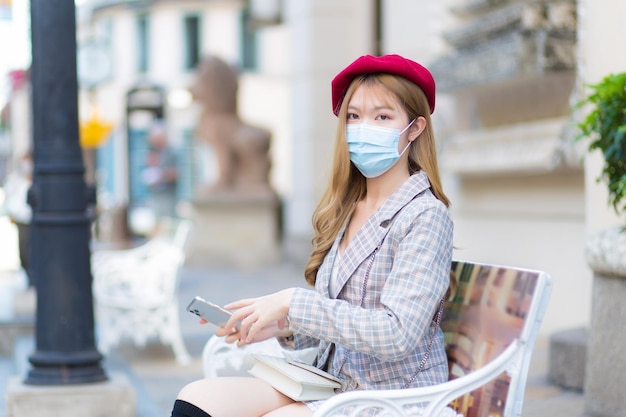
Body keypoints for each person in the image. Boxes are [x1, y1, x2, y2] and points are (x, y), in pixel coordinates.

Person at [170, 54, 455, 417]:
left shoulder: (425, 214)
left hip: (393, 395)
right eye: (353, 116)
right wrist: (280, 326)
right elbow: (342, 317)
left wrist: (292, 302)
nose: (363, 127)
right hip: (330, 382)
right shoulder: (351, 207)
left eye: (382, 116)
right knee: (196, 398)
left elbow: (396, 333)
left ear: (414, 129)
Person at [142, 120, 179, 219]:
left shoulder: (172, 153)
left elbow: (179, 173)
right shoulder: (153, 153)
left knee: (168, 221)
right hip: (156, 196)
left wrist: (162, 175)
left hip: (168, 197)